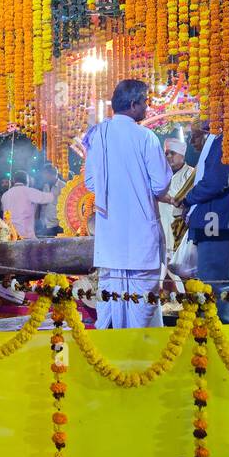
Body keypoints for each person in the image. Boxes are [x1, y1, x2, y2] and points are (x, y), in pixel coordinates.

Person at [83, 79, 173, 328]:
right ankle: (141, 362)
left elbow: (90, 182)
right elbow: (160, 184)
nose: (147, 107)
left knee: (111, 307)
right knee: (142, 310)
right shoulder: (145, 137)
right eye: (145, 102)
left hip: (110, 242)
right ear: (133, 105)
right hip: (140, 241)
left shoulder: (97, 135)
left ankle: (111, 363)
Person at [179, 120, 229, 324]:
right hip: (223, 223)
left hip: (221, 224)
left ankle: (223, 346)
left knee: (219, 291)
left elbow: (216, 182)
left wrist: (187, 199)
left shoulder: (227, 135)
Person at [158, 137, 194, 262]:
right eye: (166, 153)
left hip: (180, 229)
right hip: (161, 228)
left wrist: (167, 198)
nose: (168, 156)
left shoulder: (191, 174)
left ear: (182, 155)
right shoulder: (158, 173)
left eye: (172, 153)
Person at [0, 173, 55, 241]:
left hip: (9, 236)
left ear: (14, 181)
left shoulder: (5, 195)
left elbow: (3, 210)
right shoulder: (29, 191)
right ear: (28, 181)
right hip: (25, 237)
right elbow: (49, 198)